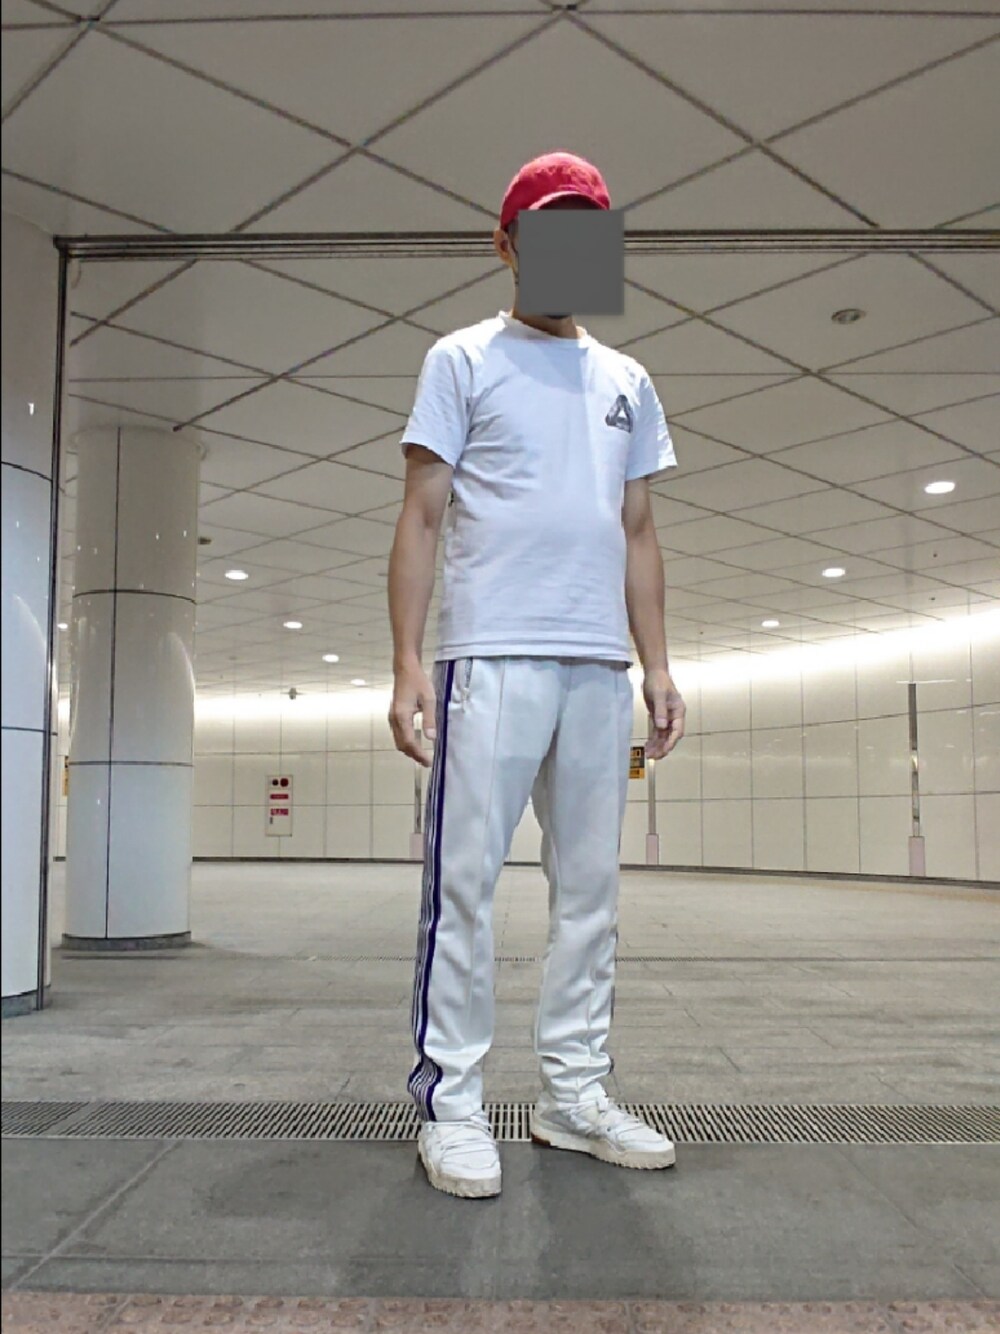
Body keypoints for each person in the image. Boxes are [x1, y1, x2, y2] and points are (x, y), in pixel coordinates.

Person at [387, 151, 686, 1200]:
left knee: (590, 895)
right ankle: (452, 1105)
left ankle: (572, 1094)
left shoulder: (627, 382)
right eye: (550, 232)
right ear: (507, 245)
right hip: (490, 655)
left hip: (597, 667)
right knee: (464, 887)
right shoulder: (462, 360)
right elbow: (421, 515)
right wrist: (406, 660)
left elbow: (637, 531)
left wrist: (657, 663)